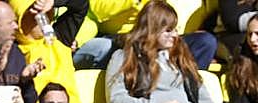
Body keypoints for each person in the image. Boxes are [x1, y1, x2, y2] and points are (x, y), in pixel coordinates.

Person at [105, 1, 258, 103]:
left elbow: (202, 97)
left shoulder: (179, 55)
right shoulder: (124, 56)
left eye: (175, 29)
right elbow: (116, 101)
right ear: (152, 29)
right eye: (168, 30)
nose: (175, 35)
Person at [76, 0, 217, 71]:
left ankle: (186, 96)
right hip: (123, 37)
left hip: (163, 37)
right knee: (112, 46)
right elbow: (96, 9)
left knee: (205, 42)